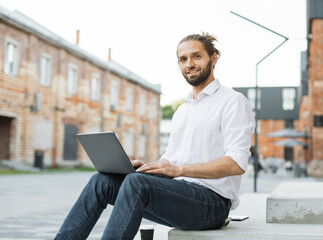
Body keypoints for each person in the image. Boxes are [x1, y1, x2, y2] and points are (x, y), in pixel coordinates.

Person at [55, 33, 255, 240]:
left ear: (213, 58)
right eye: (183, 59)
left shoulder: (233, 101)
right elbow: (172, 157)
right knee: (102, 181)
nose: (190, 64)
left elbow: (236, 163)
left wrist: (178, 170)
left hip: (213, 204)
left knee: (137, 183)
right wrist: (150, 168)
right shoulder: (183, 111)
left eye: (197, 56)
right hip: (180, 193)